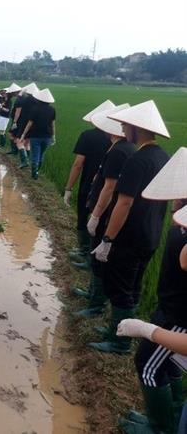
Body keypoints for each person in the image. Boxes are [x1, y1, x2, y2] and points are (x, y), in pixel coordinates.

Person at [113, 152, 187, 434]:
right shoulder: (181, 217)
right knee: (169, 366)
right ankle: (172, 417)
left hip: (178, 315)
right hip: (170, 307)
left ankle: (160, 427)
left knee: (147, 365)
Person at [89, 100, 171, 354]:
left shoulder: (138, 160)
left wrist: (108, 239)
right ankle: (120, 328)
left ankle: (120, 342)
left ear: (138, 128)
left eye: (126, 125)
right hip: (151, 233)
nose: (123, 129)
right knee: (133, 285)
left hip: (130, 235)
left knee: (121, 287)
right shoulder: (162, 157)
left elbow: (123, 202)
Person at [73, 104, 135, 316]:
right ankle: (92, 295)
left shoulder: (119, 151)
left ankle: (95, 305)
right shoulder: (124, 149)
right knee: (95, 255)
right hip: (106, 210)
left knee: (98, 259)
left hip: (106, 212)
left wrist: (96, 215)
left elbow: (110, 187)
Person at [64, 100, 115, 270]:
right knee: (100, 223)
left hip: (89, 186)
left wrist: (68, 188)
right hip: (111, 190)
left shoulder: (87, 136)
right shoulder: (118, 141)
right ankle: (92, 255)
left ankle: (84, 251)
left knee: (83, 218)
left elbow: (78, 164)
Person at [19, 88, 55, 179]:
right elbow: (53, 124)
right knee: (41, 154)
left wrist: (23, 134)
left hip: (35, 135)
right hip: (47, 136)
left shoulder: (35, 109)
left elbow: (30, 123)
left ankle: (34, 173)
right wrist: (53, 136)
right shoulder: (52, 110)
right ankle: (37, 171)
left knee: (35, 155)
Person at [9, 82, 39, 163]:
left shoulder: (24, 99)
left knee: (19, 140)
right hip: (32, 123)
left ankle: (24, 161)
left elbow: (18, 111)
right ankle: (27, 160)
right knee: (27, 143)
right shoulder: (37, 101)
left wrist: (15, 122)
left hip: (23, 122)